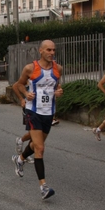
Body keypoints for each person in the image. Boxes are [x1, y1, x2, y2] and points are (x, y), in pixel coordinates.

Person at [11, 40, 63, 200]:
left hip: (48, 112)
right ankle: (44, 187)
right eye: (48, 50)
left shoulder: (58, 69)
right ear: (41, 51)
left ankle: (19, 159)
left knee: (35, 145)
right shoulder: (30, 68)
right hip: (33, 111)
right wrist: (26, 95)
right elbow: (18, 85)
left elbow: (56, 87)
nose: (52, 53)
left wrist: (58, 92)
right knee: (40, 148)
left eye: (54, 50)